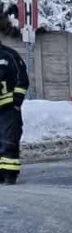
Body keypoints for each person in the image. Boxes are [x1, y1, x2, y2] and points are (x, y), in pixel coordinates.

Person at [0, 42, 30, 185]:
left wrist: (16, 101)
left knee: (9, 141)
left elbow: (22, 78)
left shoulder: (9, 55)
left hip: (8, 107)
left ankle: (9, 174)